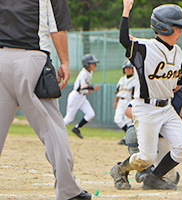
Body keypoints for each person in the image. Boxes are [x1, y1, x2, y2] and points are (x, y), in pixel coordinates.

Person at [0, 1, 91, 199]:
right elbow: (57, 29)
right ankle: (68, 191)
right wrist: (65, 62)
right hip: (32, 60)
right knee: (52, 129)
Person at [110, 0, 182, 190]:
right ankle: (120, 169)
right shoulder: (144, 48)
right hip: (145, 108)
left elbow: (175, 78)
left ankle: (154, 178)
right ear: (164, 28)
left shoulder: (178, 52)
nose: (180, 32)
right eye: (177, 27)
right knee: (146, 157)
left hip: (166, 108)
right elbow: (124, 40)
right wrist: (126, 11)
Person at [63, 54, 100, 139]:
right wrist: (92, 88)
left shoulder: (90, 72)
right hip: (75, 97)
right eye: (92, 63)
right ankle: (57, 131)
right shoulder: (83, 73)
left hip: (82, 97)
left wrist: (88, 89)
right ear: (87, 64)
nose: (95, 65)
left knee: (90, 114)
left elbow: (85, 85)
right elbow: (82, 87)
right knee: (69, 118)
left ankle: (77, 128)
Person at [114, 60, 136, 145]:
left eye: (130, 68)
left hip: (129, 101)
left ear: (133, 69)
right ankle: (128, 135)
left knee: (128, 121)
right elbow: (117, 92)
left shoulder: (135, 80)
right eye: (126, 68)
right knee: (117, 119)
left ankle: (126, 138)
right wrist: (115, 101)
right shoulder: (121, 79)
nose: (128, 70)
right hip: (121, 101)